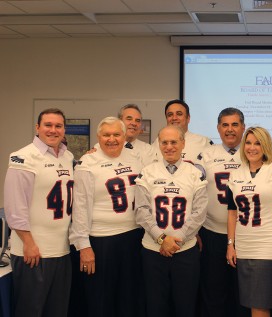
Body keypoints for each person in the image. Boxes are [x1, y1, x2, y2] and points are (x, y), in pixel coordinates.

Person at [70, 117, 144, 317]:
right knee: (100, 301)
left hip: (132, 237)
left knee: (129, 299)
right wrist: (83, 245)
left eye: (116, 134)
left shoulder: (135, 159)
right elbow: (80, 206)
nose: (112, 139)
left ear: (124, 136)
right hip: (101, 241)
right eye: (106, 135)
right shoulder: (87, 163)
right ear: (98, 137)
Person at [4, 108, 74, 317]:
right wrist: (28, 243)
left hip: (61, 250)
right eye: (48, 125)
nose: (53, 130)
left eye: (58, 126)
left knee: (58, 310)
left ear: (64, 129)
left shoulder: (68, 156)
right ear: (37, 128)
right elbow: (15, 208)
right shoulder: (23, 157)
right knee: (31, 311)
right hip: (34, 252)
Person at [135, 125, 208, 317]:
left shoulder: (195, 173)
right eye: (164, 142)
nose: (169, 147)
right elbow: (141, 210)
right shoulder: (147, 172)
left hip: (185, 251)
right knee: (155, 306)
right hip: (153, 251)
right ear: (158, 144)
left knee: (185, 306)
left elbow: (199, 212)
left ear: (183, 143)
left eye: (174, 142)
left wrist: (176, 240)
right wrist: (161, 239)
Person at [226, 127, 272, 317]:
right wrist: (231, 245)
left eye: (257, 143)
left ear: (265, 146)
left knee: (260, 303)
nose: (252, 147)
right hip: (244, 246)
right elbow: (232, 212)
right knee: (250, 302)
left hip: (268, 246)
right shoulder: (236, 174)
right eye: (248, 142)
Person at [197, 108, 249, 317]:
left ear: (243, 128)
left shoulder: (252, 151)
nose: (230, 130)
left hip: (245, 235)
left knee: (243, 294)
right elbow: (193, 189)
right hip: (213, 232)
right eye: (225, 125)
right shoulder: (206, 155)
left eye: (235, 125)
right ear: (218, 128)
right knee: (214, 291)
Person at [151, 99, 212, 164]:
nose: (174, 118)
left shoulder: (204, 142)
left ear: (188, 118)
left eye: (179, 114)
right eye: (170, 115)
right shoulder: (157, 143)